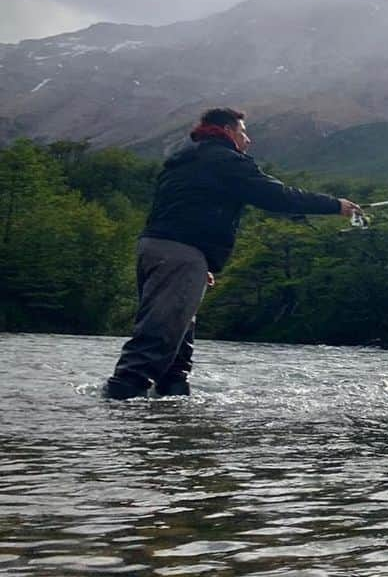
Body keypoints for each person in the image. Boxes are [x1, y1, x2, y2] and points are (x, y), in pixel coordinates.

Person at [105, 107, 361, 399]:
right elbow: (275, 196)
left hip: (159, 249)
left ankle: (170, 417)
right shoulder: (225, 160)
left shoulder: (184, 161)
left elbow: (180, 211)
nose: (248, 140)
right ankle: (116, 413)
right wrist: (334, 205)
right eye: (243, 132)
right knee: (159, 336)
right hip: (180, 256)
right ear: (227, 131)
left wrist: (201, 262)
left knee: (177, 348)